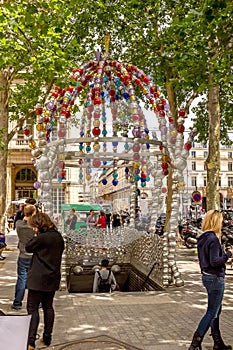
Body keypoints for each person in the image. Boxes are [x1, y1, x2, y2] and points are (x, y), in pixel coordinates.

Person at [188, 209, 233, 350]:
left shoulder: (203, 238)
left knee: (216, 310)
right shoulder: (213, 239)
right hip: (215, 278)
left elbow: (207, 260)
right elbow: (215, 261)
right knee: (211, 312)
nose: (222, 223)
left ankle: (217, 342)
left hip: (207, 276)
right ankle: (196, 342)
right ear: (215, 221)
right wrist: (228, 254)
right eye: (220, 220)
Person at [25, 212, 64, 350]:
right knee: (48, 307)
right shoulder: (58, 237)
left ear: (40, 225)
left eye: (35, 226)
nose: (34, 229)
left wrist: (36, 235)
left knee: (32, 308)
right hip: (52, 277)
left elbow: (28, 247)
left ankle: (30, 342)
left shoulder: (41, 238)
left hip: (37, 278)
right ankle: (47, 337)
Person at [12, 205, 36, 310]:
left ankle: (17, 302)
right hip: (34, 255)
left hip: (23, 254)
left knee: (21, 279)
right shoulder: (34, 227)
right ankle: (37, 302)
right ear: (33, 213)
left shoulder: (19, 225)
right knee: (35, 279)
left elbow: (21, 221)